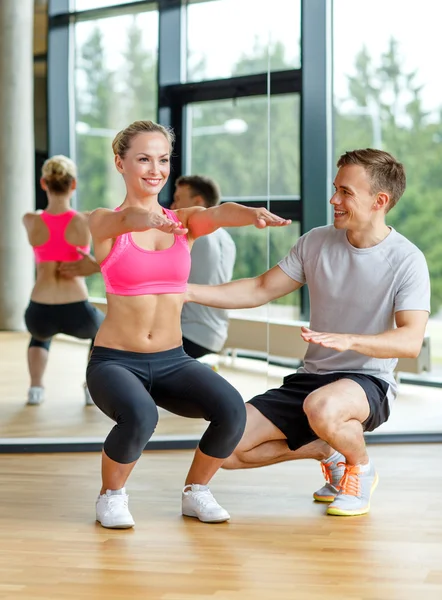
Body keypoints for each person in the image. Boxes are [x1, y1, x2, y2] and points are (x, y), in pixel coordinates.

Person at [186, 148, 430, 517]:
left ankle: (360, 469)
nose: (334, 199)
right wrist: (185, 291)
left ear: (380, 200)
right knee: (227, 447)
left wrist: (352, 341)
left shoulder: (406, 259)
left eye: (346, 192)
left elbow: (411, 340)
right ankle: (325, 449)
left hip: (367, 381)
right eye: (336, 189)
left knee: (323, 407)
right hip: (310, 379)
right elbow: (259, 289)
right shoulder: (316, 242)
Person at [85, 119, 291, 529]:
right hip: (115, 361)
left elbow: (216, 213)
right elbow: (122, 223)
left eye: (162, 160)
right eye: (143, 159)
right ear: (120, 163)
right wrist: (144, 219)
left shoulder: (182, 222)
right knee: (141, 416)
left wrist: (250, 215)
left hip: (172, 359)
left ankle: (196, 491)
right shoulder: (104, 221)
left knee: (232, 409)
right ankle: (112, 496)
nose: (155, 169)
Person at [22, 155, 105, 406]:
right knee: (103, 331)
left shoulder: (30, 220)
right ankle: (90, 388)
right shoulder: (86, 220)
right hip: (77, 311)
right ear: (74, 185)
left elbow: (42, 219)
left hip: (39, 310)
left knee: (39, 335)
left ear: (43, 183)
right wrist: (94, 264)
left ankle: (35, 388)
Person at [171, 175, 236, 359]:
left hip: (189, 334)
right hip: (217, 336)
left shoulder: (189, 233)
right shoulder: (227, 239)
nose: (173, 207)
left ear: (197, 201)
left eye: (177, 200)